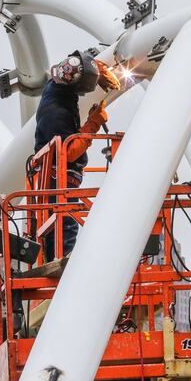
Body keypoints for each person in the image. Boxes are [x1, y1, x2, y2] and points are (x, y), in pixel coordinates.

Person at [34, 50, 120, 261]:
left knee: (60, 220)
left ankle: (59, 258)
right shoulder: (57, 111)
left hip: (53, 176)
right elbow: (69, 152)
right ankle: (62, 261)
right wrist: (94, 124)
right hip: (58, 176)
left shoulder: (54, 88)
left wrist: (98, 67)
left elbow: (76, 64)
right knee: (65, 221)